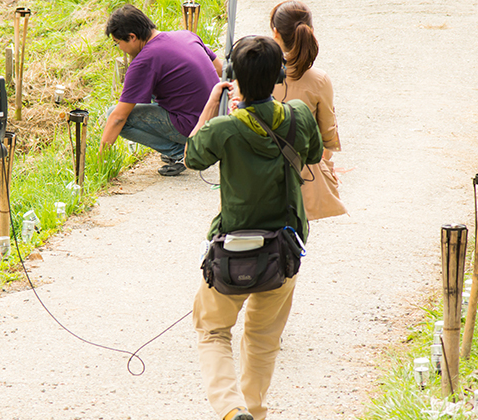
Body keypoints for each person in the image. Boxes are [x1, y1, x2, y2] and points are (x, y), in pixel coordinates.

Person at [184, 36, 322, 420]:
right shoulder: (297, 114)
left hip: (230, 252)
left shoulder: (224, 128)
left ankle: (231, 409)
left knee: (213, 332)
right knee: (262, 339)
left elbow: (191, 155)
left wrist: (215, 103)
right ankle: (255, 411)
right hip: (284, 248)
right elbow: (311, 154)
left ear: (233, 77)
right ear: (280, 75)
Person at [100, 4, 221, 176]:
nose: (119, 48)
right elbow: (220, 69)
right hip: (219, 121)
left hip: (198, 130)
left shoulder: (144, 61)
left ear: (132, 37)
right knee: (147, 96)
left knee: (114, 114)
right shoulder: (185, 35)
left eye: (117, 43)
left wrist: (100, 162)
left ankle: (179, 153)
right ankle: (185, 146)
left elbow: (118, 118)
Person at [271, 0, 346, 220]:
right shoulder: (319, 80)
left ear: (275, 33)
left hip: (260, 172)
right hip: (303, 178)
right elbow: (327, 136)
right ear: (310, 32)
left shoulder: (257, 73)